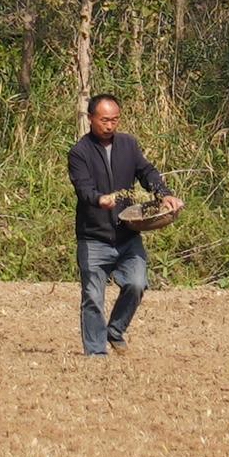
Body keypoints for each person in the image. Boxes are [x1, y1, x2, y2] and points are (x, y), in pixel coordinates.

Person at [67, 93, 184, 356]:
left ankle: (115, 330)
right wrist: (100, 199)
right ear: (90, 119)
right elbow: (83, 189)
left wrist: (164, 194)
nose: (110, 125)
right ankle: (96, 354)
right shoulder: (79, 153)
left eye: (115, 120)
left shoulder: (128, 145)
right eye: (104, 120)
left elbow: (147, 172)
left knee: (137, 283)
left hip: (127, 235)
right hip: (93, 237)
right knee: (93, 298)